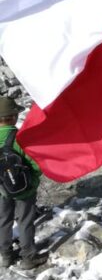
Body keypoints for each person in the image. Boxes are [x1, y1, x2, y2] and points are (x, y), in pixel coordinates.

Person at [0, 95, 43, 270]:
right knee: (25, 221)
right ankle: (28, 258)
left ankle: (6, 256)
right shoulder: (20, 137)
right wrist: (33, 181)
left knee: (3, 220)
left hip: (1, 189)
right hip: (24, 189)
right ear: (13, 117)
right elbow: (36, 164)